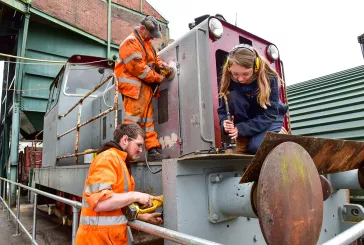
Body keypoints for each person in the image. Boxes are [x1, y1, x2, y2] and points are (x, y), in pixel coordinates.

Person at [75, 122, 163, 245]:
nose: (140, 150)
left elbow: (118, 207)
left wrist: (143, 217)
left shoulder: (121, 162)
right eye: (138, 145)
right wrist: (136, 196)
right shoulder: (107, 158)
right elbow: (100, 203)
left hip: (108, 239)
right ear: (125, 140)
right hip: (96, 240)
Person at [114, 15, 174, 161]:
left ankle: (152, 149)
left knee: (148, 122)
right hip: (133, 89)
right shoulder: (130, 43)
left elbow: (154, 59)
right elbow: (138, 68)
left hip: (144, 89)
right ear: (142, 29)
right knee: (132, 122)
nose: (153, 38)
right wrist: (158, 78)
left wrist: (161, 65)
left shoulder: (145, 42)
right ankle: (126, 153)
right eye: (151, 35)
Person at [217, 44, 288, 154]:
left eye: (246, 74)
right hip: (248, 118)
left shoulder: (270, 78)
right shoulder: (229, 79)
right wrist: (224, 123)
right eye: (235, 74)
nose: (240, 79)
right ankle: (248, 136)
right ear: (229, 67)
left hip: (269, 117)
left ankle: (279, 132)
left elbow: (269, 114)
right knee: (233, 97)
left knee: (255, 147)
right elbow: (222, 110)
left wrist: (241, 129)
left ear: (256, 67)